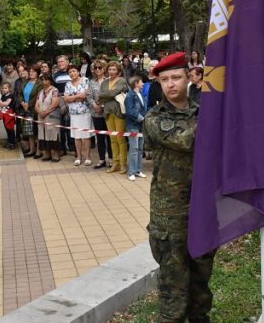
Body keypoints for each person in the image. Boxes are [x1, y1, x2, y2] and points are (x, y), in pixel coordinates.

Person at [143, 52, 215, 323]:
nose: (171, 84)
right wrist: (214, 116)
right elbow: (185, 141)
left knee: (200, 287)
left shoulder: (202, 111)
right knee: (173, 292)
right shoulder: (154, 118)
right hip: (170, 215)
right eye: (164, 80)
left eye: (176, 77)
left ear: (189, 79)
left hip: (203, 209)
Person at [99, 61, 128, 174]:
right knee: (112, 139)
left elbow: (110, 94)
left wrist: (104, 95)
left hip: (119, 112)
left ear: (118, 71)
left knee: (120, 139)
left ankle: (123, 164)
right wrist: (107, 95)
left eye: (114, 69)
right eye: (110, 69)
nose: (111, 72)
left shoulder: (122, 80)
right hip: (107, 112)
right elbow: (100, 98)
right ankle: (115, 163)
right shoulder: (104, 82)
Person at [63, 64, 91, 166]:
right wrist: (78, 96)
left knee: (86, 135)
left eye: (74, 71)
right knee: (77, 136)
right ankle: (79, 157)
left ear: (78, 72)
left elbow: (86, 95)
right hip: (74, 113)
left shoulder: (85, 80)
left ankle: (88, 157)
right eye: (70, 72)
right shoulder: (67, 84)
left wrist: (73, 97)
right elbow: (66, 99)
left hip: (85, 112)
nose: (72, 73)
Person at [87, 59, 112, 169]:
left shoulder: (109, 80)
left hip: (108, 113)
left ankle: (111, 159)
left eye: (100, 67)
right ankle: (102, 159)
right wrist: (95, 106)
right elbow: (89, 96)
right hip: (96, 113)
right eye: (95, 68)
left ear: (104, 68)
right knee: (100, 138)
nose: (97, 70)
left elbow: (111, 95)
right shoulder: (91, 82)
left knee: (110, 137)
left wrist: (102, 106)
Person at [125, 75, 147, 181]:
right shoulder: (130, 96)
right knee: (134, 149)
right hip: (133, 125)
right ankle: (131, 172)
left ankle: (138, 170)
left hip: (141, 125)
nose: (143, 84)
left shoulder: (141, 94)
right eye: (141, 82)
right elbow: (130, 111)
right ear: (136, 84)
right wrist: (142, 119)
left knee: (140, 149)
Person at [35, 73, 61, 162]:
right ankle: (47, 154)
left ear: (50, 80)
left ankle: (55, 155)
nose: (44, 82)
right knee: (43, 134)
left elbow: (55, 103)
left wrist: (45, 112)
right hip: (41, 117)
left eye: (46, 79)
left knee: (53, 134)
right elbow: (37, 104)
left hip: (52, 116)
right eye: (43, 80)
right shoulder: (40, 91)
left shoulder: (55, 90)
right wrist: (40, 112)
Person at [18, 66, 42, 158]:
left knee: (36, 131)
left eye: (33, 72)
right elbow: (20, 93)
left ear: (37, 73)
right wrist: (23, 103)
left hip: (34, 109)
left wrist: (28, 104)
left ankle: (39, 151)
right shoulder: (25, 82)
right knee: (29, 131)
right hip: (26, 110)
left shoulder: (40, 83)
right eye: (30, 71)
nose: (31, 73)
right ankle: (32, 150)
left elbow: (37, 96)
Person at [0, 81, 17, 149]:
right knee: (7, 129)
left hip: (10, 115)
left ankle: (12, 143)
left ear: (9, 89)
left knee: (10, 129)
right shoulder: (3, 96)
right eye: (3, 88)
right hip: (4, 115)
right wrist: (2, 104)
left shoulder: (11, 96)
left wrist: (2, 103)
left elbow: (7, 103)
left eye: (6, 88)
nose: (4, 89)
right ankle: (9, 142)